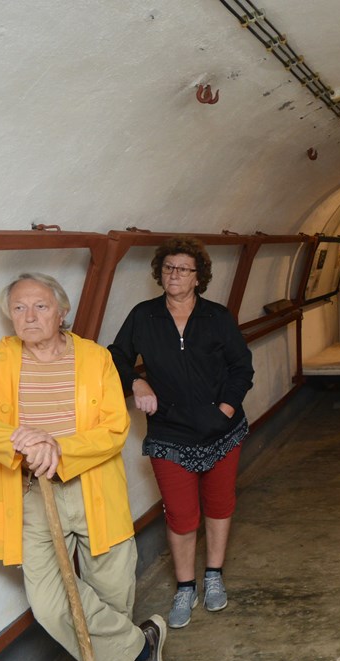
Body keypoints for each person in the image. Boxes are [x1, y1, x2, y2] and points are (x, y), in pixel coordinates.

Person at [0, 273, 165, 661]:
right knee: (48, 601)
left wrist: (59, 448)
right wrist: (20, 439)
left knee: (112, 591)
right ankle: (141, 647)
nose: (29, 316)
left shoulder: (95, 358)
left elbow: (115, 428)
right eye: (19, 308)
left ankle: (126, 656)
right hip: (31, 493)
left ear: (62, 312)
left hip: (93, 485)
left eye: (40, 306)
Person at [108, 237, 255, 630]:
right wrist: (136, 381)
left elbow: (242, 367)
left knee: (219, 504)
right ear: (160, 273)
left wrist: (225, 409)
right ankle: (185, 586)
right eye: (168, 268)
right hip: (169, 432)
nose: (174, 275)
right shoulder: (144, 316)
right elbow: (115, 357)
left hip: (221, 430)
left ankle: (214, 575)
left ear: (198, 277)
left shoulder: (217, 317)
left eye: (183, 269)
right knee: (181, 514)